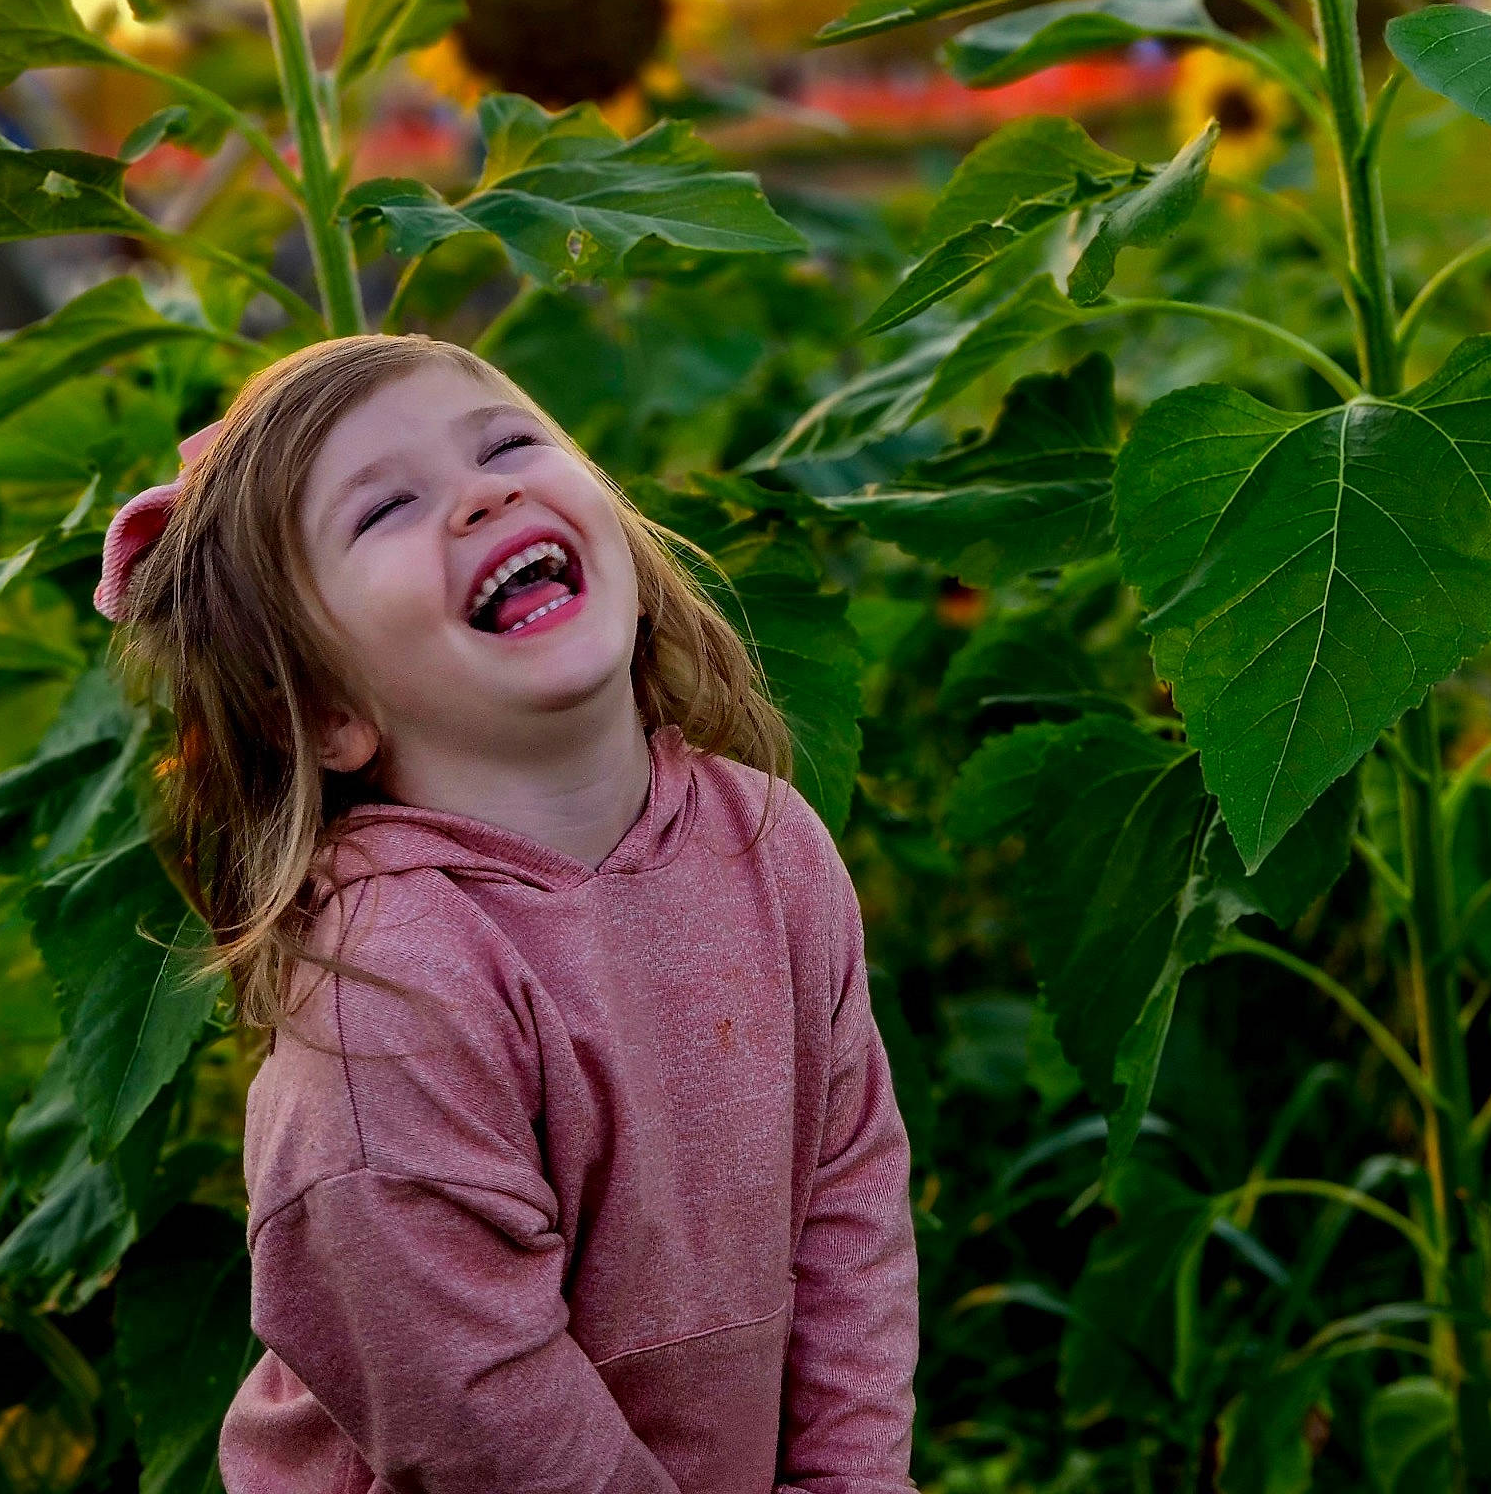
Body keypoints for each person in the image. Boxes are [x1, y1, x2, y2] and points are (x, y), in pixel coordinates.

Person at [96, 333, 919, 1494]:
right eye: (384, 508)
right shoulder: (391, 987)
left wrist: (854, 1477)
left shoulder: (770, 843)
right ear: (326, 709)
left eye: (510, 441)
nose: (485, 490)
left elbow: (849, 1198)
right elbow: (479, 1407)